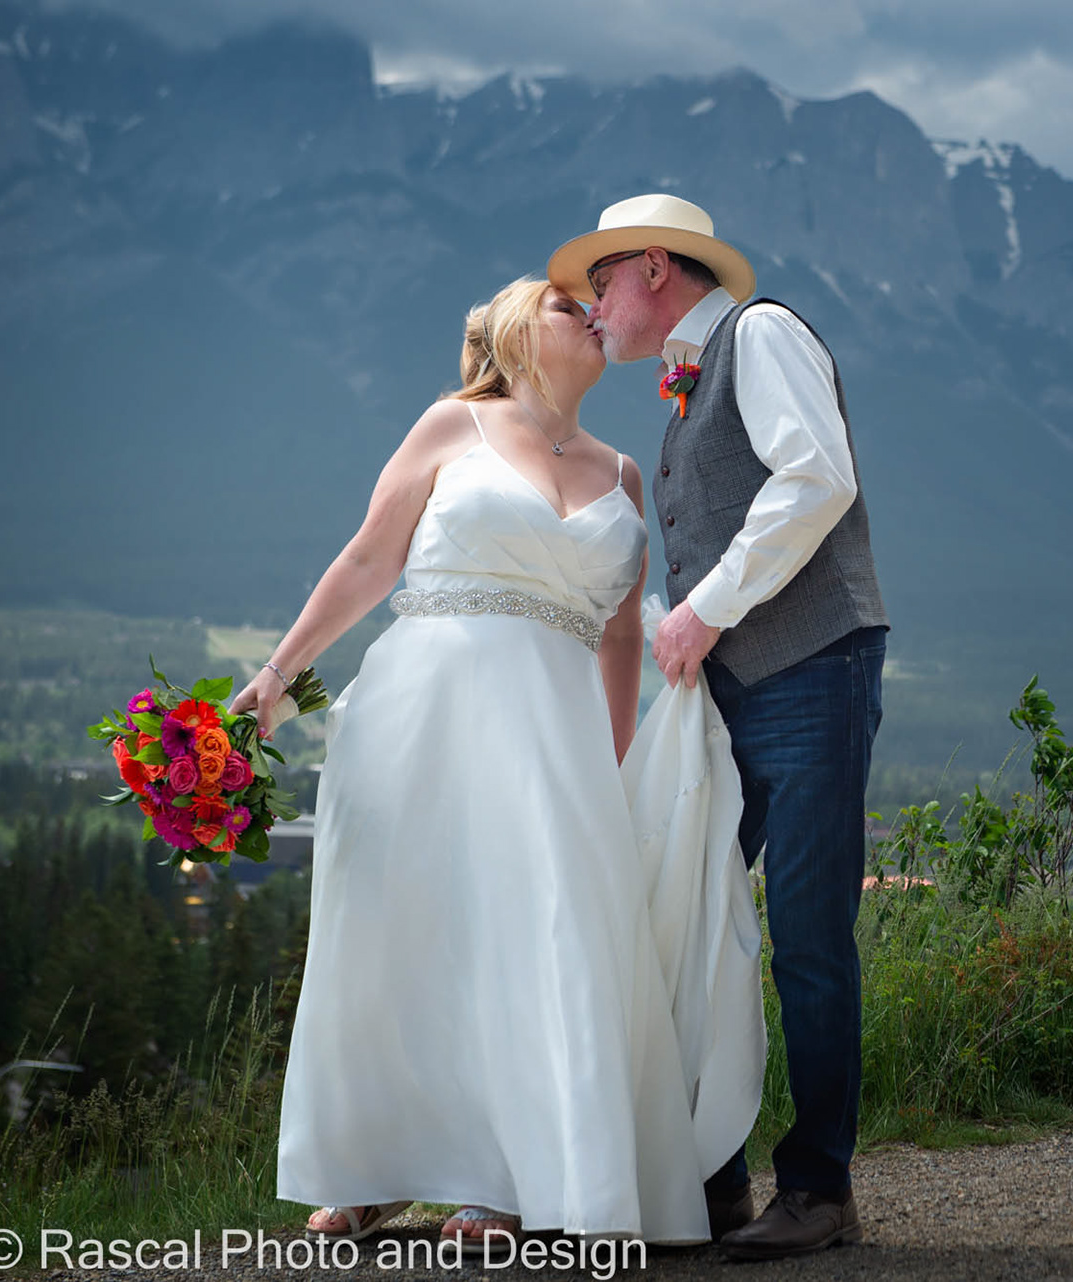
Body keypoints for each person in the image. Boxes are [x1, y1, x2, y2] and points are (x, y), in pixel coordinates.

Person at [230, 276, 763, 1248]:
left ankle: (509, 1178)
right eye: (568, 304)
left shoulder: (623, 474)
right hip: (422, 713)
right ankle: (370, 1170)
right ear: (518, 329)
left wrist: (613, 760)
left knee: (537, 936)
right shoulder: (451, 427)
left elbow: (617, 640)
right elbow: (366, 561)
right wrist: (275, 676)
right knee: (400, 930)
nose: (592, 314)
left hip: (554, 738)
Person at [548, 194, 889, 1260]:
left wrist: (705, 610)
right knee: (687, 922)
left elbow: (819, 476)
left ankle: (821, 1188)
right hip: (733, 690)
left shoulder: (763, 333)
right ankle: (708, 1176)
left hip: (814, 670)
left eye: (603, 280)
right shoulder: (683, 389)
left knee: (807, 939)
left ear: (655, 267)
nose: (595, 305)